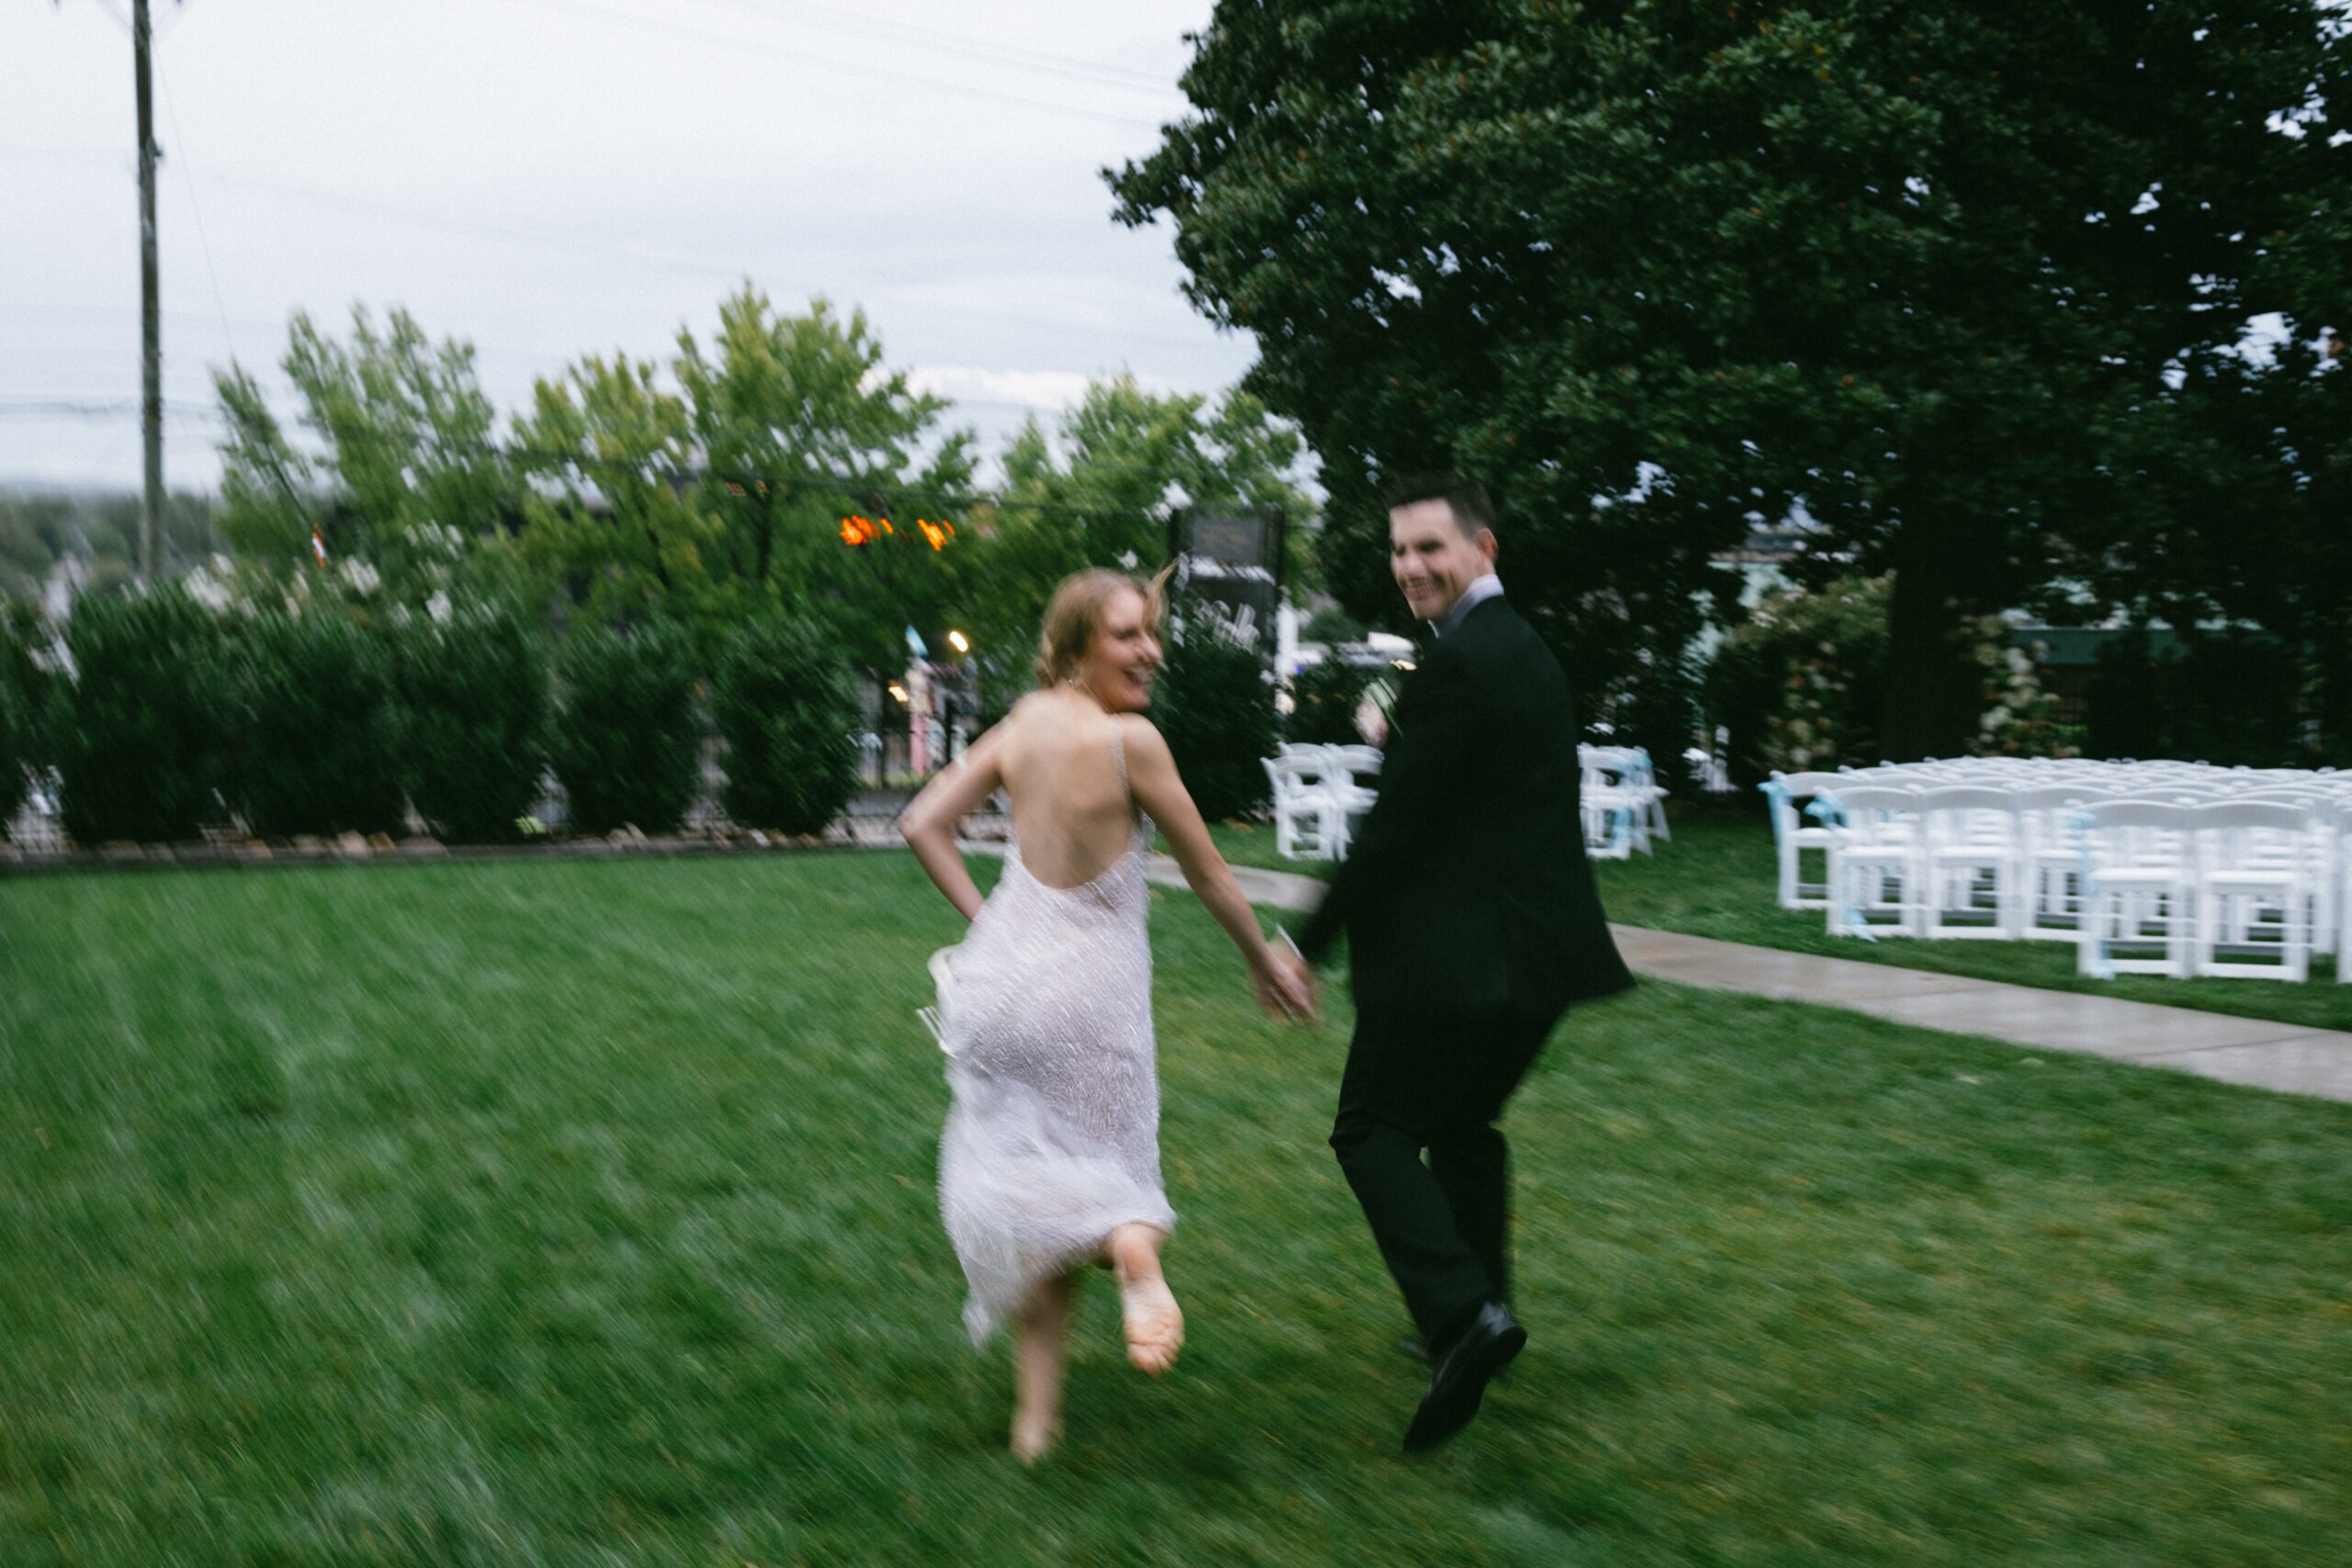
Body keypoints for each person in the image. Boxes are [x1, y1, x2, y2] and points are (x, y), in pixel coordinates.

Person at [899, 568, 1316, 1463]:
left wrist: (992, 926)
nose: (1150, 651)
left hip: (1004, 992)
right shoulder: (1132, 742)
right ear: (1075, 646)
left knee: (1037, 1200)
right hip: (1091, 1003)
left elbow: (922, 822)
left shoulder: (1019, 725)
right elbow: (1208, 871)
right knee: (1115, 1179)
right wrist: (1262, 960)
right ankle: (1134, 1256)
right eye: (1127, 636)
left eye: (1150, 634)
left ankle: (1036, 1425)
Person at [1292, 474, 1634, 1453]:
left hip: (1458, 963)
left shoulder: (1457, 663)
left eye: (1429, 548)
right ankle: (1485, 1311)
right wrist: (1404, 736)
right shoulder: (1516, 649)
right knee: (1464, 1124)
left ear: (1484, 549)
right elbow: (1481, 790)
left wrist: (1299, 943)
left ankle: (1461, 1319)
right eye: (1399, 552)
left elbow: (1393, 831)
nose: (1410, 568)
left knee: (1372, 1131)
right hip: (1541, 960)